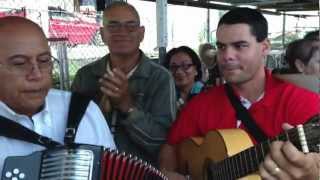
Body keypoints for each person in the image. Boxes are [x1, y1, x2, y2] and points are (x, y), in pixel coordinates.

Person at [159, 7, 320, 180]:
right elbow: (170, 149)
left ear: (264, 47)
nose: (227, 56)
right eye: (221, 47)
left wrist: (313, 174)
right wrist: (169, 174)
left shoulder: (304, 103)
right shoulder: (201, 104)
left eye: (240, 46)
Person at [0, 17, 116, 174]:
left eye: (44, 60)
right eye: (20, 63)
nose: (37, 74)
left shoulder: (84, 110)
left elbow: (111, 171)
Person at [71, 1, 176, 166]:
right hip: (94, 170)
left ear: (141, 33)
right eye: (113, 26)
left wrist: (127, 106)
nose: (122, 32)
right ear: (102, 33)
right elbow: (72, 132)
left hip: (141, 173)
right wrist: (98, 113)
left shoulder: (160, 78)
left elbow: (163, 141)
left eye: (131, 26)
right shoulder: (85, 76)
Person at [162, 46, 204, 112]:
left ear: (196, 70)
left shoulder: (207, 94)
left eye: (185, 66)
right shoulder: (164, 96)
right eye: (173, 67)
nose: (179, 71)